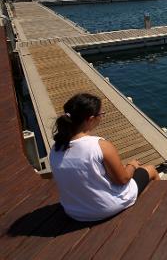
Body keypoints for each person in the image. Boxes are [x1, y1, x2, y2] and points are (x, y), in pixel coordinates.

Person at [49, 93, 159, 222]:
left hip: (73, 211)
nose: (102, 117)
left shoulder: (56, 148)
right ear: (90, 119)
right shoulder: (100, 145)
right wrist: (132, 166)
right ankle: (160, 203)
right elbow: (123, 180)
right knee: (150, 169)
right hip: (103, 209)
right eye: (101, 114)